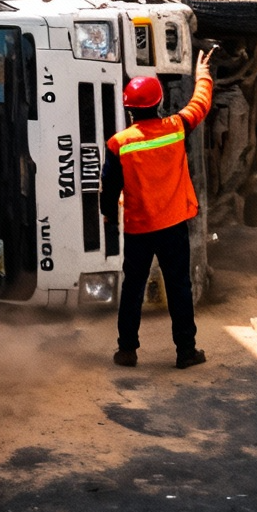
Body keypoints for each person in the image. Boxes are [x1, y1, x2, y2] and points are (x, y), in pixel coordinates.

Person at [103, 45, 217, 369]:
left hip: (139, 229)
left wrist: (110, 215)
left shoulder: (119, 143)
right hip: (172, 226)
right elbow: (201, 104)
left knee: (133, 289)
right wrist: (203, 73)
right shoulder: (176, 128)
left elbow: (109, 187)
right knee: (179, 287)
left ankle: (127, 351)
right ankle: (185, 352)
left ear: (129, 109)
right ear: (159, 104)